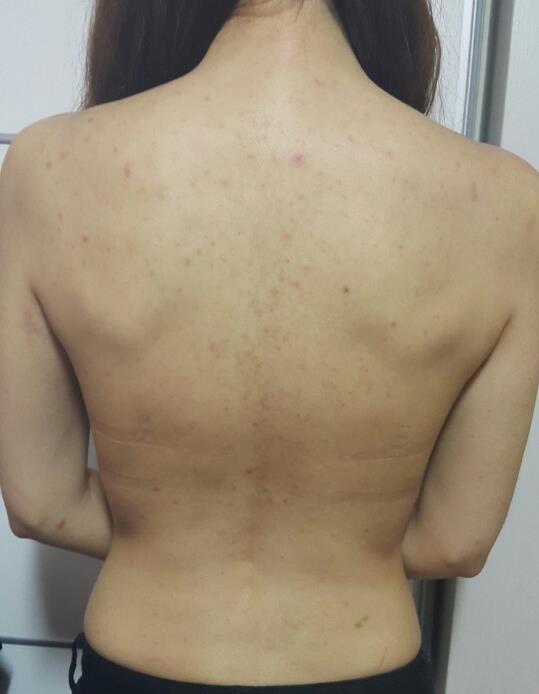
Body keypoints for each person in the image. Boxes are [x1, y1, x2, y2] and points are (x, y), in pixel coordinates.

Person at [5, 0, 539, 692]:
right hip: (366, 665)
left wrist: (175, 538)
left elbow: (41, 502)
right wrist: (328, 547)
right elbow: (455, 541)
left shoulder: (47, 170)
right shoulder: (508, 204)